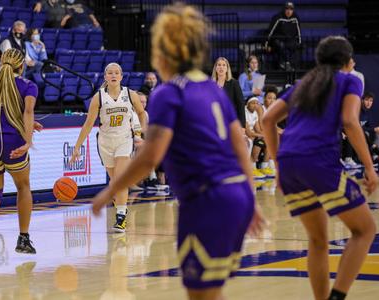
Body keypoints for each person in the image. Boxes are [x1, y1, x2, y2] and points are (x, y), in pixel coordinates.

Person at [92, 4, 264, 300]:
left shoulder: (167, 93)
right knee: (209, 291)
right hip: (234, 195)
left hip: (205, 200)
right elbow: (238, 144)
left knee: (200, 292)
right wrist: (250, 198)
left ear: (161, 54)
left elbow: (149, 157)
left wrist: (111, 191)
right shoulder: (214, 89)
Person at [262, 36, 378, 300]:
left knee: (318, 240)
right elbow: (350, 121)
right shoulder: (351, 80)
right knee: (365, 230)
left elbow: (268, 119)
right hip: (318, 160)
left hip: (290, 163)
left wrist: (279, 165)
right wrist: (369, 167)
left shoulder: (304, 84)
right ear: (349, 63)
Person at [0, 48, 43, 262]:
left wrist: (30, 124)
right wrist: (28, 141)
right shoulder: (29, 85)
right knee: (23, 187)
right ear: (21, 66)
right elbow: (27, 111)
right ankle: (23, 239)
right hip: (13, 141)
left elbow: (4, 109)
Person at [70, 62, 147, 233]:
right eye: (110, 73)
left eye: (116, 72)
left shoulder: (130, 94)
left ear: (121, 76)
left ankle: (121, 217)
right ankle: (120, 203)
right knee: (115, 181)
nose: (113, 75)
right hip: (105, 142)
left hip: (124, 140)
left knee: (120, 179)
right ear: (105, 77)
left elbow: (141, 112)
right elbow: (89, 123)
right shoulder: (98, 97)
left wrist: (140, 132)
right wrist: (77, 146)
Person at [266, 2, 301, 70]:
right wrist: (267, 44)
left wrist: (299, 43)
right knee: (281, 45)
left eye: (291, 9)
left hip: (289, 41)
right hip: (278, 40)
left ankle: (292, 68)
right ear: (284, 9)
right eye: (287, 9)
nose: (289, 11)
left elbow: (299, 33)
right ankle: (286, 64)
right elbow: (270, 32)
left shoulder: (296, 18)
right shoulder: (277, 17)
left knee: (296, 46)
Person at [212, 57, 245, 127]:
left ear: (227, 68)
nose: (221, 67)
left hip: (230, 121)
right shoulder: (210, 84)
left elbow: (241, 105)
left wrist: (242, 126)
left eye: (224, 65)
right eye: (219, 65)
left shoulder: (234, 83)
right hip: (214, 120)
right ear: (215, 68)